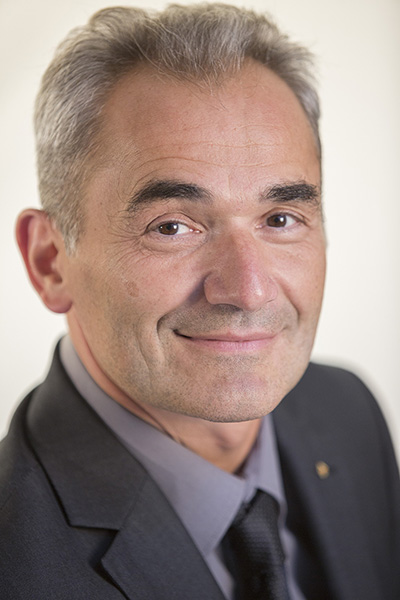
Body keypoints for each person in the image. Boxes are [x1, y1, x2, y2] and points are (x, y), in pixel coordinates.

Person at [0, 3, 399, 599]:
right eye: (172, 226)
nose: (248, 290)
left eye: (280, 218)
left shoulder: (346, 411)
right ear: (49, 261)